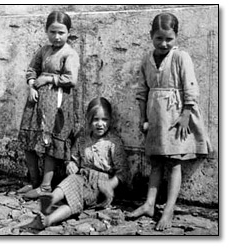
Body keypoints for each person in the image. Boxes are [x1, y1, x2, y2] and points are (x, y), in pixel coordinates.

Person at [126, 13, 212, 230]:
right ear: (151, 36)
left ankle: (169, 209)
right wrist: (142, 118)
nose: (163, 43)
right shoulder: (147, 58)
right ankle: (149, 204)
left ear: (176, 37)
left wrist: (185, 116)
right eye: (159, 39)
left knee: (174, 163)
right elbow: (142, 91)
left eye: (169, 39)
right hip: (155, 117)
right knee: (155, 161)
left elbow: (191, 88)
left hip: (176, 118)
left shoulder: (181, 57)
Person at [32, 97, 129, 229]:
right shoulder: (82, 140)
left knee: (74, 203)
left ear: (110, 120)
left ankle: (50, 219)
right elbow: (74, 159)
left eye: (104, 119)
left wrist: (110, 185)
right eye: (96, 120)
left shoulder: (113, 143)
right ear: (89, 120)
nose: (100, 124)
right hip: (82, 178)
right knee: (71, 180)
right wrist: (70, 164)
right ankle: (50, 200)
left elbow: (122, 173)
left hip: (100, 187)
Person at [17, 11, 80, 199]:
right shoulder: (44, 50)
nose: (57, 36)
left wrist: (47, 78)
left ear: (68, 32)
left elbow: (71, 79)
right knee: (29, 140)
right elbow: (32, 69)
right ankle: (34, 182)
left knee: (50, 143)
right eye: (53, 32)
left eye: (61, 32)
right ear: (46, 31)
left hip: (57, 102)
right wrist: (31, 86)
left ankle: (45, 187)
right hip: (36, 102)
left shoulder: (69, 53)